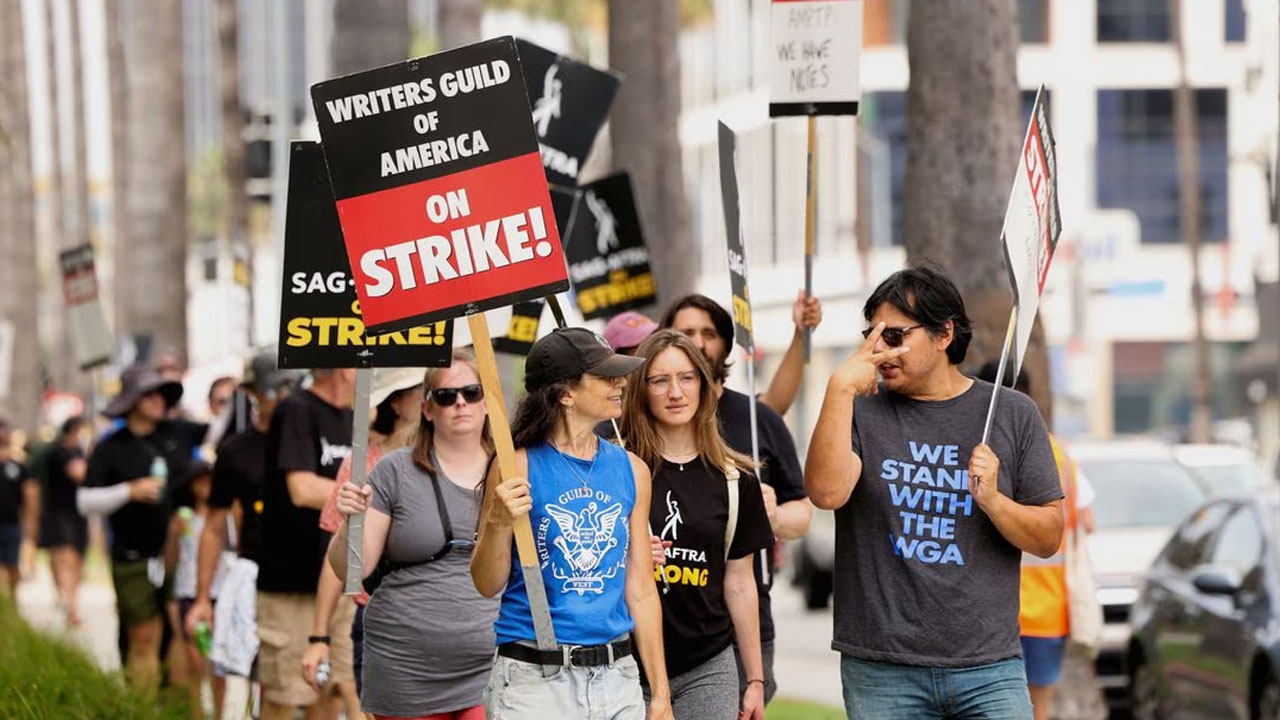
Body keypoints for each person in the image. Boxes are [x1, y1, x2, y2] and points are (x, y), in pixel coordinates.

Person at [804, 266, 1064, 718]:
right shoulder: (861, 411)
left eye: (895, 335)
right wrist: (839, 387)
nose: (880, 350)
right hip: (882, 668)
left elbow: (1049, 537)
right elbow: (826, 493)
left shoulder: (1013, 413)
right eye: (873, 336)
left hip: (989, 667)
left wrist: (995, 502)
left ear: (944, 333)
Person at [471, 327, 674, 720]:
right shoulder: (517, 465)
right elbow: (485, 583)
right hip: (535, 678)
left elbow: (642, 590)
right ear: (566, 394)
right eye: (605, 376)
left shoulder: (633, 470)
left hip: (617, 675)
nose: (620, 383)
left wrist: (660, 695)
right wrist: (497, 523)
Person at [327, 351, 501, 719]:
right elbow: (352, 570)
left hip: (494, 665)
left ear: (487, 402)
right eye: (445, 396)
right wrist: (350, 520)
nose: (460, 403)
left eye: (471, 392)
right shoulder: (395, 471)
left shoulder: (516, 468)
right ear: (426, 409)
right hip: (406, 669)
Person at [659, 294, 813, 701]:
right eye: (685, 332)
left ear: (725, 345)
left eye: (708, 333)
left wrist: (771, 516)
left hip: (744, 617)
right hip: (659, 626)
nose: (697, 342)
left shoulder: (754, 419)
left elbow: (803, 512)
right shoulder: (637, 432)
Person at [620, 331, 773, 720]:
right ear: (641, 389)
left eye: (687, 378)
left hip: (708, 663)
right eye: (660, 380)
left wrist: (754, 679)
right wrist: (629, 554)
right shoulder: (617, 471)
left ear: (704, 386)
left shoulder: (737, 480)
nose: (676, 392)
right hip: (626, 664)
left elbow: (740, 583)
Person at [186, 350, 304, 720]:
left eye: (290, 388)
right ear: (252, 392)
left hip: (312, 575)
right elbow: (214, 526)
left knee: (316, 687)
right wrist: (203, 596)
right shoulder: (236, 450)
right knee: (270, 683)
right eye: (274, 390)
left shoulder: (311, 439)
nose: (283, 398)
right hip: (259, 576)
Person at [976, 360, 1097, 720]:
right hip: (1047, 607)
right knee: (1037, 708)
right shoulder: (1059, 453)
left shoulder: (981, 450)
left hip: (992, 612)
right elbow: (1086, 520)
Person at [81, 365, 209, 690]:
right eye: (149, 393)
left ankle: (181, 710)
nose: (158, 400)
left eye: (161, 393)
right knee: (143, 635)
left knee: (181, 631)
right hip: (133, 555)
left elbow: (221, 431)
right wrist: (129, 491)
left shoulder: (175, 433)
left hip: (177, 555)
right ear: (133, 399)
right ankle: (143, 708)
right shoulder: (111, 447)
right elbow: (85, 501)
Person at [304, 366, 425, 707]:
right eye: (421, 389)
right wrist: (318, 636)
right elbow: (335, 556)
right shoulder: (361, 463)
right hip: (377, 622)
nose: (433, 398)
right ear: (397, 403)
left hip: (441, 621)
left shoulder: (449, 459)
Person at [255, 367, 355, 720]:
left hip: (338, 580)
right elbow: (301, 488)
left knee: (332, 692)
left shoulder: (355, 417)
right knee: (287, 693)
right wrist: (374, 499)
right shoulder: (296, 409)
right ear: (346, 369)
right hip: (292, 581)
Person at [168, 460, 230, 720]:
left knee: (218, 665)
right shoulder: (182, 518)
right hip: (189, 594)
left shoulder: (226, 516)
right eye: (200, 481)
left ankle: (218, 714)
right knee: (196, 661)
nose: (205, 487)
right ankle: (196, 713)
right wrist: (174, 535)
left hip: (221, 593)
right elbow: (170, 559)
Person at [38, 416, 91, 625]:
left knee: (77, 559)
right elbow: (78, 474)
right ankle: (70, 605)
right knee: (65, 558)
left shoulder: (79, 452)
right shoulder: (58, 453)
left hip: (79, 511)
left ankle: (71, 601)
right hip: (59, 512)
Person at [0, 420, 38, 597]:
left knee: (13, 565)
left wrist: (30, 522)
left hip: (11, 522)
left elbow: (30, 494)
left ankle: (13, 601)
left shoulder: (19, 465)